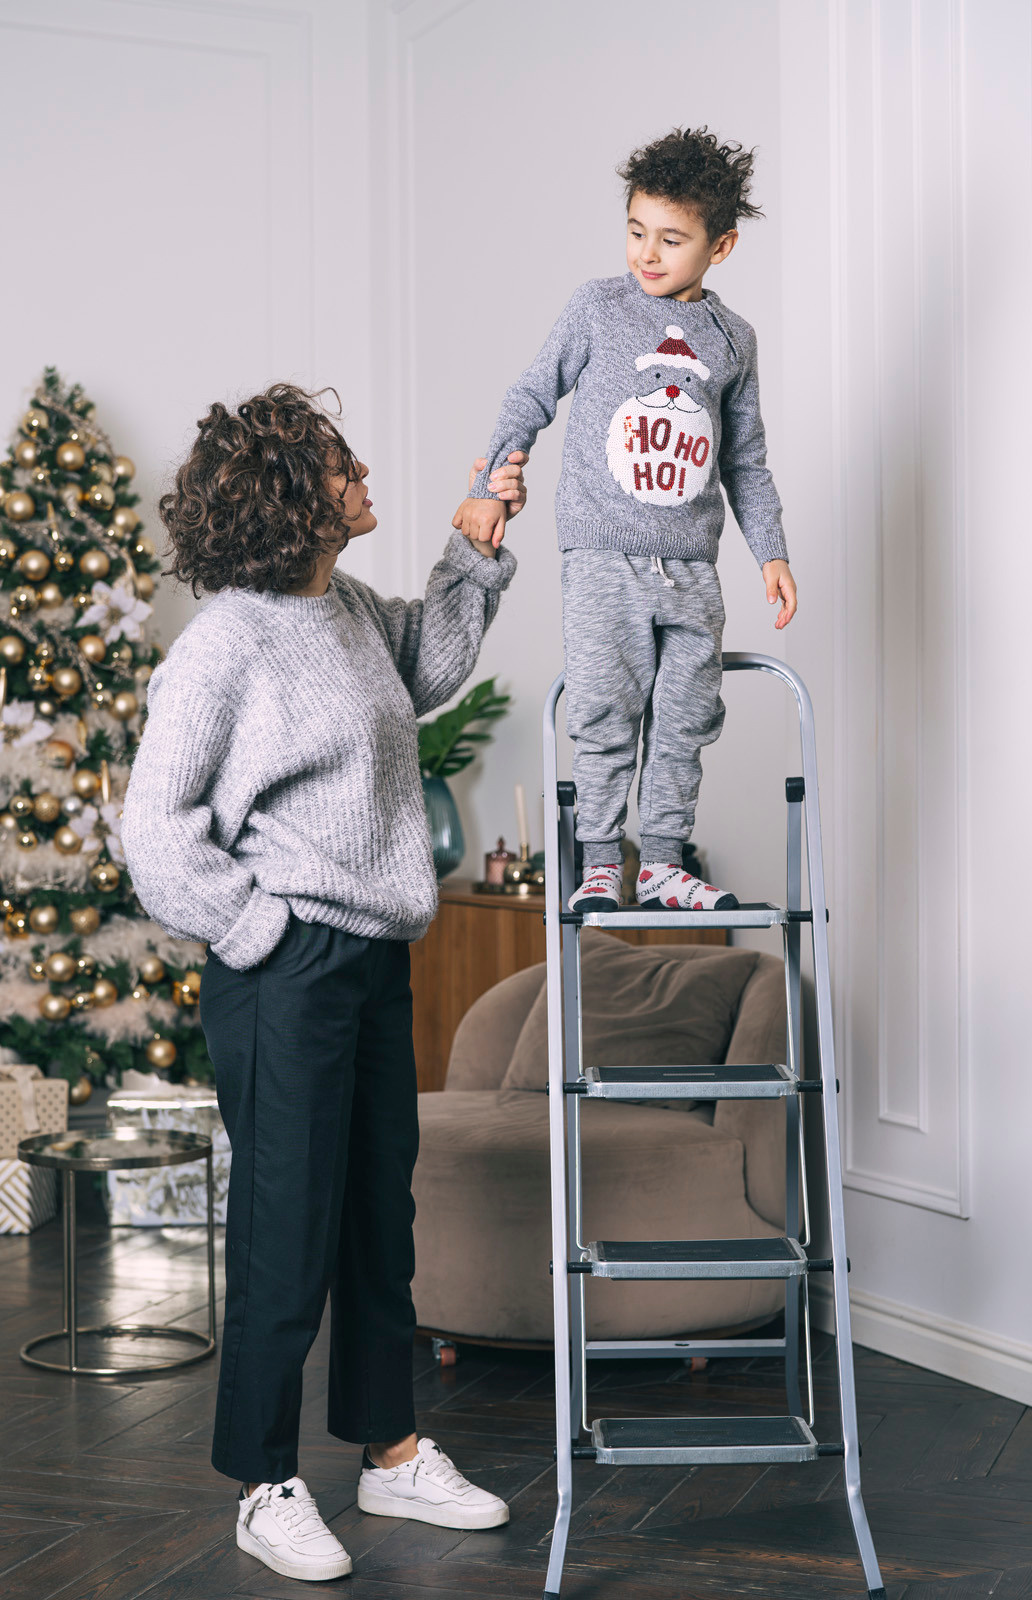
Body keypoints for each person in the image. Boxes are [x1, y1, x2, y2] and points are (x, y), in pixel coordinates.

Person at [120, 384, 526, 1583]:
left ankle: (391, 1452)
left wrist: (475, 546)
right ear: (298, 498)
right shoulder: (225, 645)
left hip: (371, 959)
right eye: (343, 466)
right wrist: (254, 926)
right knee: (287, 1231)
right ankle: (263, 1482)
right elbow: (154, 827)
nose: (360, 477)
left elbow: (431, 665)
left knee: (373, 1217)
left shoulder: (343, 607)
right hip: (283, 969)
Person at [454, 126, 798, 914]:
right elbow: (531, 394)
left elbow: (745, 461)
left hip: (691, 569)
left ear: (723, 245)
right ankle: (604, 859)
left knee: (687, 716)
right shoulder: (598, 308)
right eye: (637, 232)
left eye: (672, 240)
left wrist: (771, 553)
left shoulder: (733, 341)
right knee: (606, 712)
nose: (648, 254)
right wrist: (490, 480)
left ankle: (664, 861)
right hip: (603, 556)